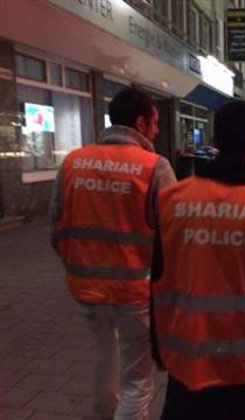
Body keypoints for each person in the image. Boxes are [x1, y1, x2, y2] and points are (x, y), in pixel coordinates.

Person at [150, 100, 245, 420]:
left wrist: (158, 349)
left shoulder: (172, 199)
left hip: (186, 364)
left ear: (215, 140)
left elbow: (158, 278)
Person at [50, 88, 177, 419]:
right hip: (135, 292)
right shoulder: (154, 167)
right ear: (140, 123)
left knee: (105, 359)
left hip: (85, 289)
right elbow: (173, 235)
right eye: (155, 123)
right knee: (137, 379)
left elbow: (56, 228)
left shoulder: (73, 162)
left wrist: (77, 265)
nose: (157, 130)